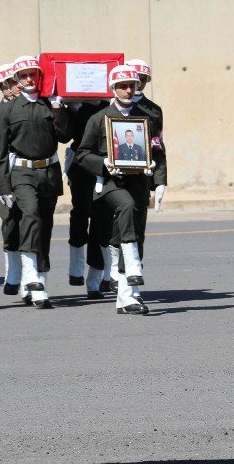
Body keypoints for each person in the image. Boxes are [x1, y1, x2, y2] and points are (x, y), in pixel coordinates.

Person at [76, 66, 165, 314]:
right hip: (109, 183)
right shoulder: (99, 118)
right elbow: (82, 154)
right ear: (112, 88)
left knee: (136, 230)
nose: (128, 90)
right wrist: (103, 163)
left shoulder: (146, 118)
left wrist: (159, 177)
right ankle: (134, 267)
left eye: (132, 85)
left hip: (138, 182)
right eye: (123, 85)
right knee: (125, 207)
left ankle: (128, 298)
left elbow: (157, 148)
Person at [0, 55, 72, 309]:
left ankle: (41, 281)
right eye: (24, 76)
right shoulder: (8, 109)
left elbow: (65, 136)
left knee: (45, 225)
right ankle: (30, 275)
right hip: (22, 173)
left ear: (40, 77)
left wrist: (59, 109)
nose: (29, 79)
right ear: (17, 79)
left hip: (48, 171)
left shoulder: (49, 105)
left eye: (33, 75)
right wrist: (4, 186)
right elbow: (1, 152)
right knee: (31, 215)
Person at [64, 94, 111, 297]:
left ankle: (96, 279)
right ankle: (76, 269)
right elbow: (64, 135)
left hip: (104, 165)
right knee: (80, 214)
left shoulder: (109, 106)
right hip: (81, 166)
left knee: (101, 222)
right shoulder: (75, 106)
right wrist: (66, 107)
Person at [0, 63, 24, 294]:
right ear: (3, 86)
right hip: (5, 171)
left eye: (18, 81)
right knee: (10, 222)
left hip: (27, 170)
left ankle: (29, 274)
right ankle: (12, 272)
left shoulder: (32, 106)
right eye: (12, 83)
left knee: (30, 222)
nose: (18, 86)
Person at [126, 58, 167, 214]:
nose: (139, 83)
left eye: (143, 79)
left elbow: (158, 146)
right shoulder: (111, 107)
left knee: (138, 225)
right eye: (136, 78)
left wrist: (160, 181)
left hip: (142, 175)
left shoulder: (154, 110)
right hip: (113, 176)